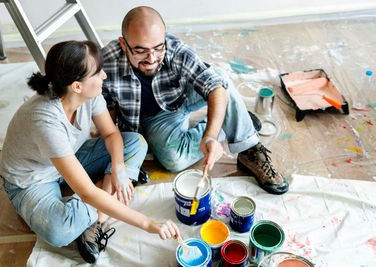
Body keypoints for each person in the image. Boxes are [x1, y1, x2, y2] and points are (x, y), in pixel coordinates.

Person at [0, 40, 180, 264]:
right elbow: (87, 194)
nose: (104, 76)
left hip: (69, 156)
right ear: (76, 86)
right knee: (59, 231)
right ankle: (104, 202)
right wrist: (148, 224)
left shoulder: (88, 95)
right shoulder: (45, 120)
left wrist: (119, 168)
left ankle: (99, 209)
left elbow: (112, 135)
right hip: (32, 179)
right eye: (98, 72)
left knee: (135, 143)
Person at [101, 6, 289, 195]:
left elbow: (214, 85)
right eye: (140, 51)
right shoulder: (106, 63)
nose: (151, 59)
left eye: (158, 49)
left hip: (181, 97)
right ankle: (234, 120)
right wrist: (123, 160)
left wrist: (210, 137)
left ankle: (249, 147)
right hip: (153, 117)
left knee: (219, 78)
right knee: (174, 160)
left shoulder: (174, 48)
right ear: (123, 44)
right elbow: (108, 117)